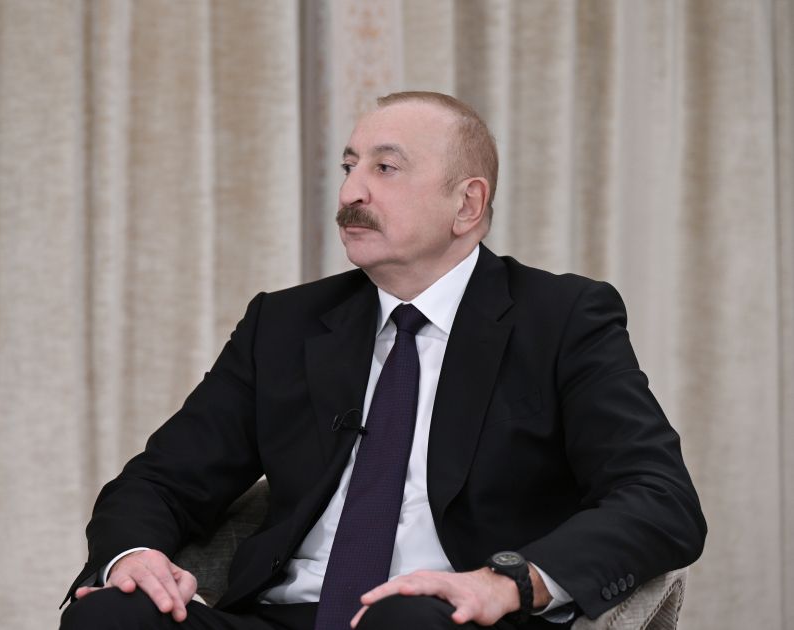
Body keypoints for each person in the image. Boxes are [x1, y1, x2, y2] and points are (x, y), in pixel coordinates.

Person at [60, 91, 706, 630]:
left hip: (447, 616)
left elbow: (659, 500)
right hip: (285, 616)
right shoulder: (283, 325)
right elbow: (161, 481)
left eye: (385, 168)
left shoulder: (560, 318)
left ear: (466, 204)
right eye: (349, 166)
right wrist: (133, 556)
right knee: (109, 616)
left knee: (406, 622)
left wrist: (506, 582)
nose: (350, 191)